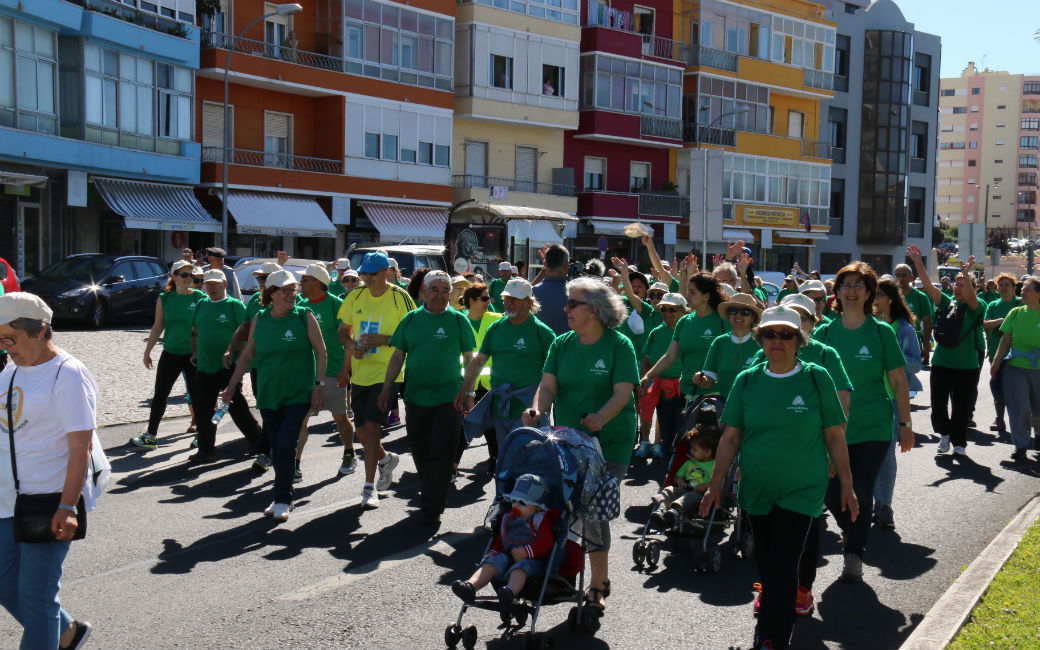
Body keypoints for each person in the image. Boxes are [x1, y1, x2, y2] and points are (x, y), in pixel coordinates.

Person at [701, 306, 855, 650]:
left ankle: (772, 637)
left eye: (786, 334)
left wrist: (846, 483)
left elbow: (834, 434)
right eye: (770, 334)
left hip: (803, 488)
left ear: (798, 341)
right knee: (769, 563)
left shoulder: (817, 377)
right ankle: (773, 618)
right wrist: (715, 485)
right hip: (757, 488)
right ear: (760, 339)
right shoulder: (748, 380)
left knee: (785, 564)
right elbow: (730, 438)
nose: (777, 340)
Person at [522, 277, 638, 612]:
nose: (566, 308)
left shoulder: (619, 345)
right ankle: (560, 570)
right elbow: (547, 386)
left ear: (596, 310)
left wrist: (601, 417)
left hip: (610, 442)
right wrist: (537, 409)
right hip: (568, 439)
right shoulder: (562, 343)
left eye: (573, 304)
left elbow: (622, 392)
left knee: (592, 511)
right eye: (567, 303)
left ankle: (598, 583)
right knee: (562, 506)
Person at [0, 293, 100, 650]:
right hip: (9, 499)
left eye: (9, 339)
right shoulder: (11, 370)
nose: (3, 347)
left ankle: (55, 633)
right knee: (5, 583)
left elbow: (80, 448)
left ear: (40, 331)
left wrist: (68, 506)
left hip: (49, 499)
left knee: (36, 596)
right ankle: (68, 632)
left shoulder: (67, 374)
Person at [812, 261, 912, 582]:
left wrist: (905, 425)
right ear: (837, 292)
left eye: (859, 285)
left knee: (862, 488)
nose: (852, 291)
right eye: (846, 285)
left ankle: (854, 552)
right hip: (832, 429)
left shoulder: (882, 332)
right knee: (830, 492)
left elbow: (897, 380)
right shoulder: (824, 333)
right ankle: (852, 530)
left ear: (869, 293)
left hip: (873, 426)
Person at [221, 270, 326, 522]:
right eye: (286, 290)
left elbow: (321, 352)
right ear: (272, 294)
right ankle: (281, 493)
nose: (292, 294)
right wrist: (231, 386)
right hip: (269, 393)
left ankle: (283, 498)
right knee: (277, 446)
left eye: (293, 289)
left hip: (298, 393)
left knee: (287, 443)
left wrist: (319, 386)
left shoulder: (304, 316)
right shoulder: (260, 318)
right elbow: (248, 355)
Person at [378, 271, 476, 525]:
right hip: (416, 396)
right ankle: (431, 490)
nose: (441, 295)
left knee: (442, 453)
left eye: (446, 291)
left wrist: (468, 392)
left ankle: (433, 505)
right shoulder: (411, 320)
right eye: (435, 290)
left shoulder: (458, 321)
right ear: (424, 291)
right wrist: (387, 388)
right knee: (420, 450)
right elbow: (398, 356)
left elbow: (470, 360)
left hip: (449, 396)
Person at [337, 251, 416, 509]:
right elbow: (342, 331)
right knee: (362, 433)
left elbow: (411, 335)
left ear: (387, 273)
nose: (366, 278)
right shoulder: (355, 295)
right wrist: (350, 347)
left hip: (389, 374)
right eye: (364, 273)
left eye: (372, 273)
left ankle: (368, 488)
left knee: (371, 430)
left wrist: (384, 340)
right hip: (360, 373)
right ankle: (385, 460)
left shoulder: (399, 297)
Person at [458, 279, 555, 454]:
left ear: (529, 302)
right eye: (506, 298)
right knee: (506, 458)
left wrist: (542, 407)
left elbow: (555, 373)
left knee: (528, 459)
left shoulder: (543, 332)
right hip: (500, 406)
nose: (509, 303)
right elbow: (478, 362)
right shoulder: (496, 328)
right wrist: (464, 392)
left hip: (528, 408)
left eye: (515, 299)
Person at [908, 247, 984, 456]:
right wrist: (917, 262)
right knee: (938, 406)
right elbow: (927, 285)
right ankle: (944, 434)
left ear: (971, 287)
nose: (958, 288)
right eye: (957, 285)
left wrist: (967, 274)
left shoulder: (977, 307)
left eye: (963, 285)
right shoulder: (947, 304)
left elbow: (971, 298)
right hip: (941, 364)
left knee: (960, 408)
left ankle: (959, 443)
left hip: (967, 367)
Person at [451, 474, 559, 612]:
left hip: (532, 560)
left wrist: (527, 551)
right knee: (491, 563)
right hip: (507, 555)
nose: (516, 506)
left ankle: (509, 592)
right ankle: (470, 586)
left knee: (520, 568)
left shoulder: (540, 520)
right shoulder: (508, 517)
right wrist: (493, 552)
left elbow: (546, 542)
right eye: (514, 500)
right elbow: (500, 540)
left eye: (522, 503)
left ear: (537, 507)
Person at [132, 260, 206, 450]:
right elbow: (158, 326)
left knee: (198, 395)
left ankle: (202, 435)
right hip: (171, 352)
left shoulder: (198, 297)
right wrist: (147, 352)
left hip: (192, 354)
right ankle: (151, 436)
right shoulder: (164, 298)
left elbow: (204, 328)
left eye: (192, 275)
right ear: (174, 277)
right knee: (160, 394)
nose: (189, 278)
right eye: (184, 275)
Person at [188, 269, 259, 463]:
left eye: (215, 284)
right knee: (203, 409)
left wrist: (240, 360)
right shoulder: (202, 304)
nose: (210, 287)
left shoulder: (234, 306)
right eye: (208, 284)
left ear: (225, 285)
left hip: (228, 367)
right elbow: (195, 331)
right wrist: (194, 353)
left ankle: (256, 439)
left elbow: (245, 335)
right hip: (204, 366)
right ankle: (206, 449)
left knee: (236, 407)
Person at [294, 263, 357, 481]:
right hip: (307, 374)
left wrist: (346, 369)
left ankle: (349, 452)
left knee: (340, 418)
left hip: (333, 372)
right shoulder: (300, 306)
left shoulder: (336, 305)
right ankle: (296, 464)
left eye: (305, 280)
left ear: (318, 283)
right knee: (300, 420)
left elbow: (348, 339)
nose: (301, 284)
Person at [871, 278, 923, 529]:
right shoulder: (865, 325)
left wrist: (892, 357)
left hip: (892, 397)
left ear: (890, 298)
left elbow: (916, 363)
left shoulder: (904, 328)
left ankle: (884, 505)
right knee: (866, 453)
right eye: (873, 294)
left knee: (887, 452)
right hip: (866, 397)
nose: (875, 300)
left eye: (879, 295)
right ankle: (871, 500)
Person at [642, 272, 729, 405]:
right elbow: (670, 356)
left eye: (692, 292)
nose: (687, 295)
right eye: (688, 291)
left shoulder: (723, 320)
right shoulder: (684, 321)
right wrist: (649, 375)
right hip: (686, 393)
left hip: (716, 394)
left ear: (706, 296)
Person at [453, 282, 503, 470]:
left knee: (491, 426)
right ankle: (454, 465)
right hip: (465, 383)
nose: (489, 301)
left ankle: (495, 460)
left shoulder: (497, 319)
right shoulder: (459, 321)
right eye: (484, 298)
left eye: (489, 297)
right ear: (471, 301)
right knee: (462, 425)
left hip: (490, 384)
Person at [990, 276, 1040, 461]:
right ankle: (1021, 445)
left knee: (1038, 409)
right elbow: (1005, 340)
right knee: (1019, 408)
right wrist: (996, 362)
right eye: (1023, 289)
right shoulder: (1016, 312)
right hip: (1015, 367)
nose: (1022, 292)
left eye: (1027, 289)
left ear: (1038, 294)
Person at [637, 292, 689, 456]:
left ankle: (660, 443)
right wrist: (644, 379)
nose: (667, 313)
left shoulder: (689, 331)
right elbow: (646, 359)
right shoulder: (656, 332)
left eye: (672, 310)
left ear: (683, 311)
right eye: (664, 309)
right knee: (648, 407)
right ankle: (645, 441)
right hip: (657, 382)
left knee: (677, 423)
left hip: (682, 388)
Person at [648, 424, 720, 530]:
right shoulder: (689, 463)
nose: (691, 451)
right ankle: (661, 510)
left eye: (694, 449)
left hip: (701, 497)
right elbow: (677, 477)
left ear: (707, 452)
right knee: (669, 489)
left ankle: (675, 512)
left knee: (690, 496)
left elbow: (719, 482)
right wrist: (680, 480)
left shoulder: (715, 466)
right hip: (685, 490)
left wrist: (706, 485)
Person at [694, 293, 762, 399]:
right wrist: (702, 379)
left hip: (756, 407)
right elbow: (709, 380)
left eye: (745, 312)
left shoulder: (762, 342)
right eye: (733, 311)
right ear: (728, 315)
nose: (738, 315)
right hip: (726, 408)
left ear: (752, 317)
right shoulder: (719, 342)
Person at [983, 273, 1023, 433]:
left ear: (1014, 289)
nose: (1004, 288)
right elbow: (985, 324)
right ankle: (999, 418)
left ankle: (1019, 422)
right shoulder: (993, 305)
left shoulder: (1020, 304)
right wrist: (1001, 321)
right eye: (1002, 285)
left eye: (1008, 285)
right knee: (997, 388)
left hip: (1017, 355)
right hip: (996, 353)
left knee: (1016, 390)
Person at [893, 263, 934, 366]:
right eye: (897, 275)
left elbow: (927, 323)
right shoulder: (889, 296)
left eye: (904, 275)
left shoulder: (921, 297)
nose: (900, 278)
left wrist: (926, 346)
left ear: (911, 277)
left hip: (912, 344)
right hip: (892, 342)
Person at [532, 244, 570, 335]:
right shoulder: (577, 295)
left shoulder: (531, 292)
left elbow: (525, 290)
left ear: (544, 265)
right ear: (567, 264)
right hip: (565, 348)